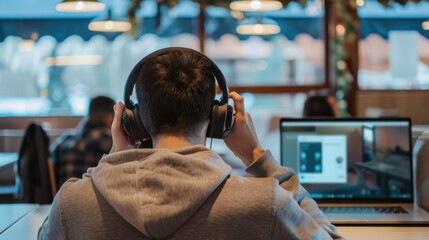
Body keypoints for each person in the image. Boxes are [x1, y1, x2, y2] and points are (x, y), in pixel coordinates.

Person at [39, 48, 343, 239]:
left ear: (131, 121)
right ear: (218, 118)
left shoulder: (71, 205)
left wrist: (114, 159)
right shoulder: (266, 205)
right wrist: (256, 156)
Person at [50, 95, 115, 187]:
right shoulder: (108, 139)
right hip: (90, 198)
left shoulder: (64, 141)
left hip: (62, 197)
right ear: (109, 117)